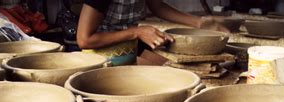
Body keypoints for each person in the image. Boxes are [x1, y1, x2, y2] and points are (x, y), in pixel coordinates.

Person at [77, 0, 227, 65]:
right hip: (99, 59)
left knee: (178, 70)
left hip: (128, 50)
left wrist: (199, 23)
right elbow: (84, 39)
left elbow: (158, 7)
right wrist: (137, 32)